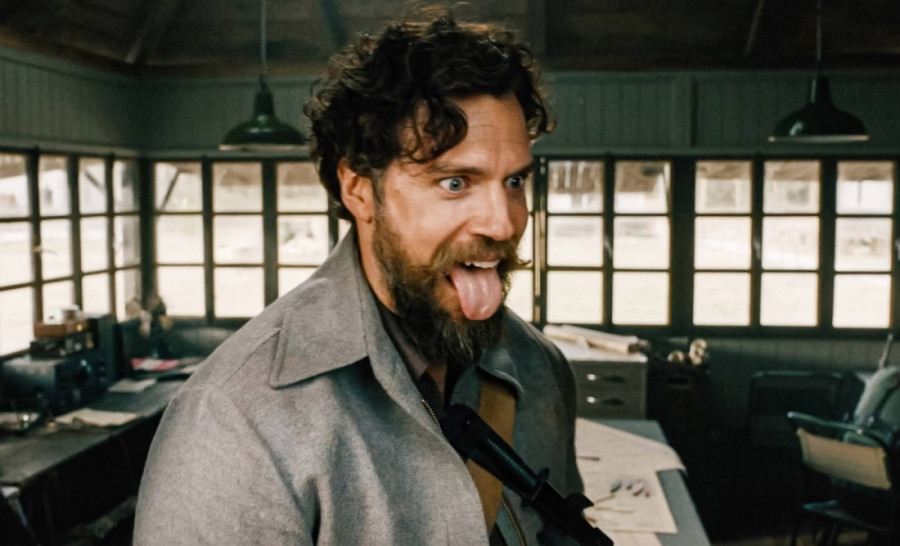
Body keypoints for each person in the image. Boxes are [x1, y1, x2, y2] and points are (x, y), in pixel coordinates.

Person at [134, 14, 583, 545]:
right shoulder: (235, 418)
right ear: (359, 191)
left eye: (514, 181)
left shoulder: (540, 367)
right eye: (455, 182)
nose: (504, 224)